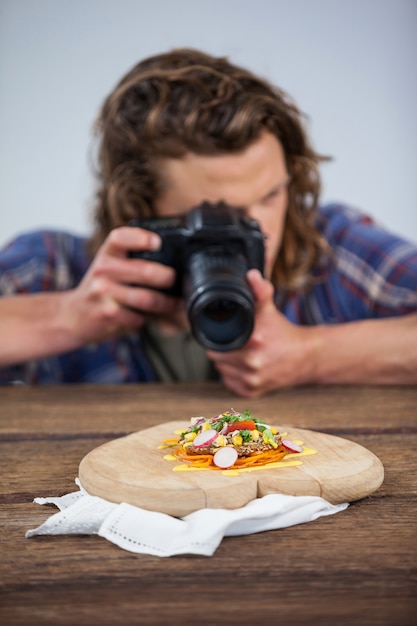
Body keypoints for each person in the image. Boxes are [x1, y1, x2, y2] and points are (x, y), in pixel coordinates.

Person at [1, 48, 416, 396]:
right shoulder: (52, 269)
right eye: (221, 215)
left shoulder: (329, 249)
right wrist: (63, 317)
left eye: (271, 195)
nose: (260, 231)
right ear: (138, 210)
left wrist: (312, 354)